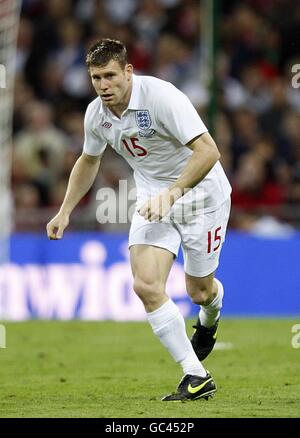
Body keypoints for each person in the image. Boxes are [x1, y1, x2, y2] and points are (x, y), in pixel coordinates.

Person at [46, 38, 232, 401]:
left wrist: (173, 193)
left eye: (111, 76)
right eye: (96, 78)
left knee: (200, 291)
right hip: (152, 199)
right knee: (146, 285)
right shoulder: (96, 114)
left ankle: (210, 317)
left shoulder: (163, 98)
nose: (103, 85)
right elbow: (89, 159)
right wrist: (65, 209)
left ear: (128, 72)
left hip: (203, 199)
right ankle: (196, 375)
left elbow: (209, 150)